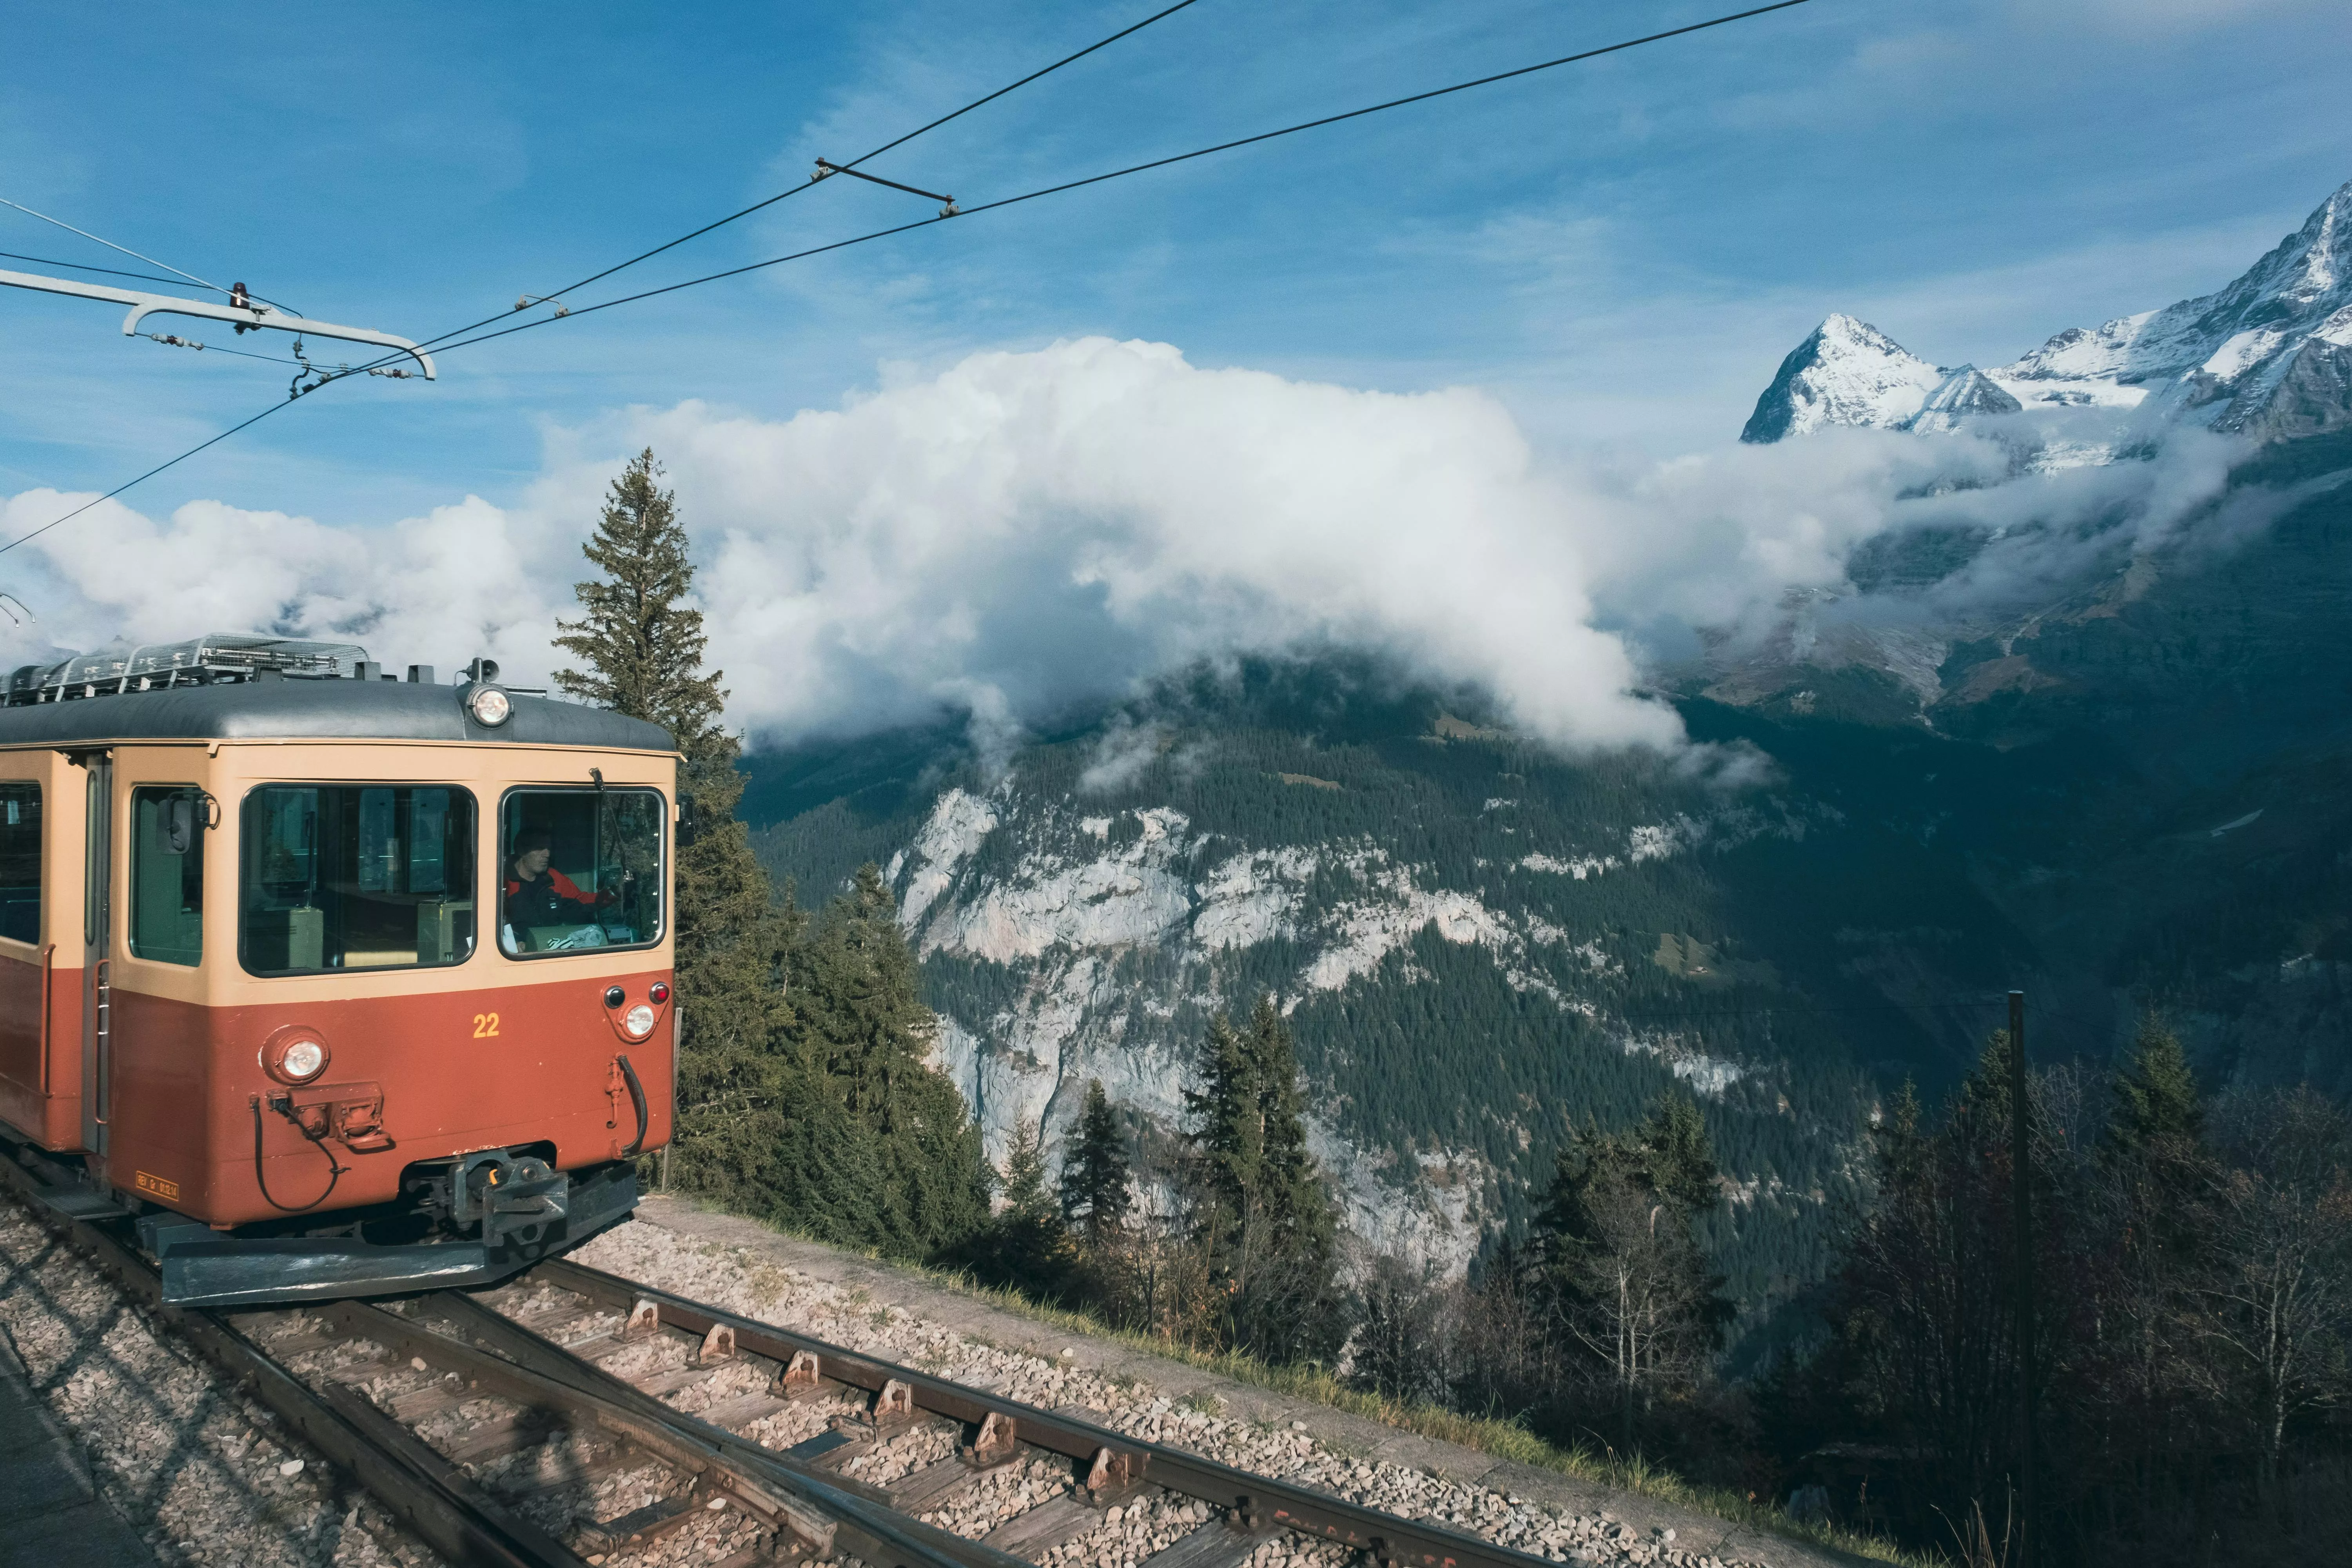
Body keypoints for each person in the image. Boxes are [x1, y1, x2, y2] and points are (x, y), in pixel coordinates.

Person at [502, 826, 619, 936]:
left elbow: (579, 900)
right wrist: (513, 943)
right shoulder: (502, 882)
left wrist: (607, 897)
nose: (547, 854)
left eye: (549, 849)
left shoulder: (553, 878)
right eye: (540, 849)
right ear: (521, 851)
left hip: (552, 947)